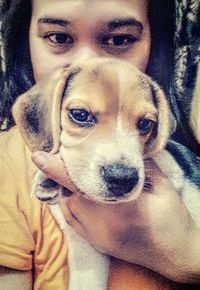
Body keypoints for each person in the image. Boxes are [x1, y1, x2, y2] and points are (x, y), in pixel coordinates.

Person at [0, 0, 200, 289]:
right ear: (25, 41)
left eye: (119, 39)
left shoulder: (171, 152)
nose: (89, 63)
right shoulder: (8, 165)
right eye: (59, 37)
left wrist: (189, 256)